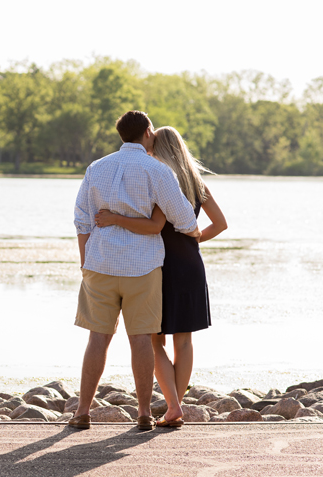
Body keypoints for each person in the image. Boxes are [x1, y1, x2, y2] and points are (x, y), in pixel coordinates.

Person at [70, 112, 201, 431]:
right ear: (147, 132)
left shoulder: (96, 168)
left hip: (99, 265)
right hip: (142, 267)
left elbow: (82, 218)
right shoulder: (156, 170)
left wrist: (87, 260)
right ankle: (143, 413)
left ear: (120, 135)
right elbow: (184, 219)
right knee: (141, 338)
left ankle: (82, 412)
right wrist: (193, 233)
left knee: (97, 339)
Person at [94, 126, 228, 427]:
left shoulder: (159, 179)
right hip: (191, 264)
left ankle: (174, 407)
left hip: (160, 265)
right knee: (184, 341)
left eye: (152, 145)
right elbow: (220, 224)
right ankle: (173, 408)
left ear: (158, 147)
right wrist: (193, 240)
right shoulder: (195, 181)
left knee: (155, 342)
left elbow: (155, 224)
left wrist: (114, 219)